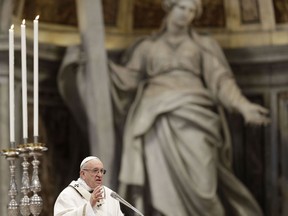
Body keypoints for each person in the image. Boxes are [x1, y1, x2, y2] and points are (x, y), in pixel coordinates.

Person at [108, 0, 270, 215]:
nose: (187, 14)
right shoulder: (147, 46)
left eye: (193, 10)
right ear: (169, 8)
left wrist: (244, 106)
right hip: (154, 117)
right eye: (182, 8)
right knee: (159, 183)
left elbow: (222, 81)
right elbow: (126, 79)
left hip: (195, 113)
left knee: (204, 185)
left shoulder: (203, 45)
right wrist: (99, 64)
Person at [53, 156, 124, 216]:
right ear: (83, 174)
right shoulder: (68, 195)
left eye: (102, 171)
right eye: (95, 170)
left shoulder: (110, 195)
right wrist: (89, 205)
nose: (99, 175)